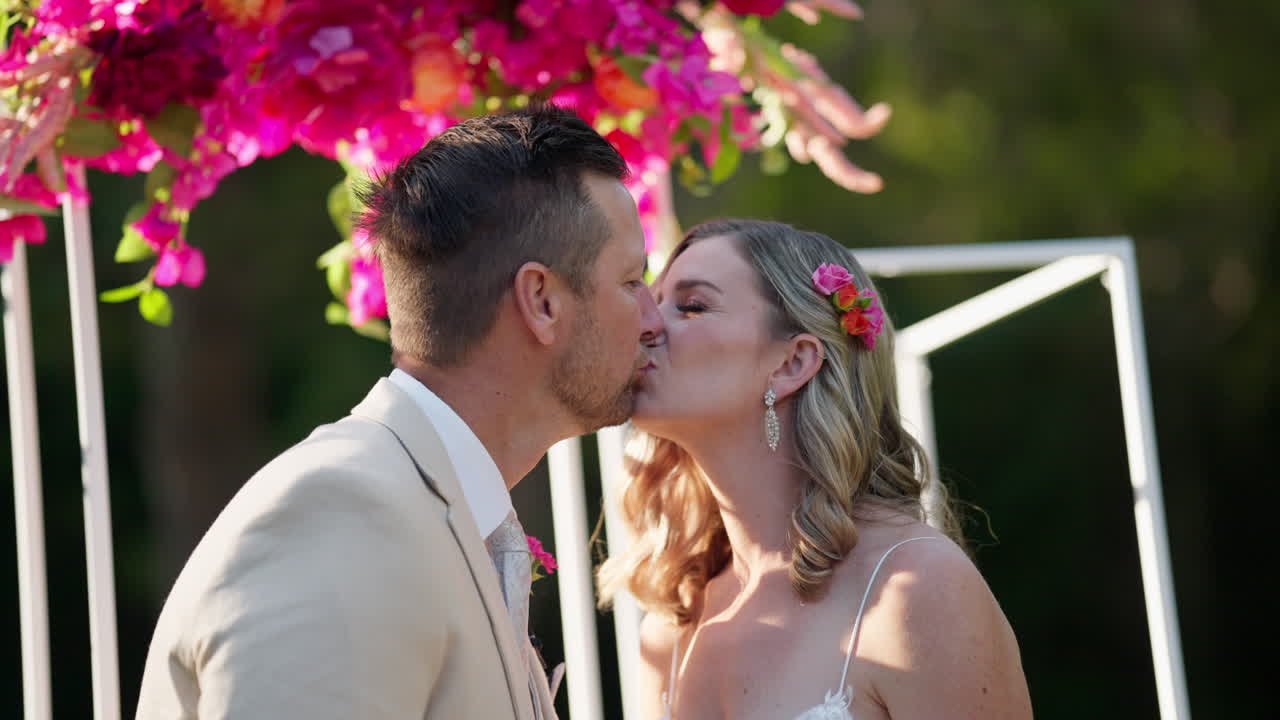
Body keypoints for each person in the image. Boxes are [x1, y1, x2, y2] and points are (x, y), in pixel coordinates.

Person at [136, 105, 664, 720]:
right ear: (541, 301)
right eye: (632, 282)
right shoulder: (337, 512)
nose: (655, 320)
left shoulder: (431, 508)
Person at [598, 219, 1032, 719]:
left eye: (692, 306)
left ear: (792, 363)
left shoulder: (916, 590)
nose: (646, 324)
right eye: (651, 300)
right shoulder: (673, 624)